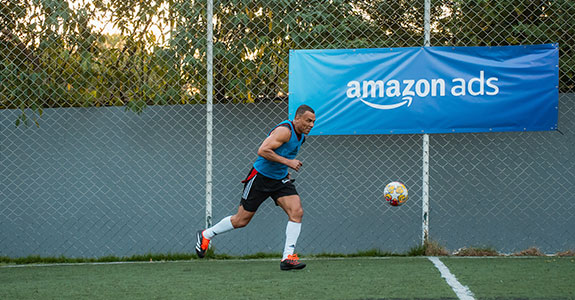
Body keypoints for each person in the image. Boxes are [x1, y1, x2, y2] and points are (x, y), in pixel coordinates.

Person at [196, 104, 316, 270]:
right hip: (260, 178)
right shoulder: (284, 131)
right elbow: (263, 150)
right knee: (241, 220)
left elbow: (282, 153)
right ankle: (206, 234)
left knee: (297, 212)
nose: (311, 124)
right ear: (297, 118)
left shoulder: (301, 136)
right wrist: (289, 163)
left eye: (313, 122)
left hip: (279, 180)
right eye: (308, 120)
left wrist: (284, 169)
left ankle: (287, 258)